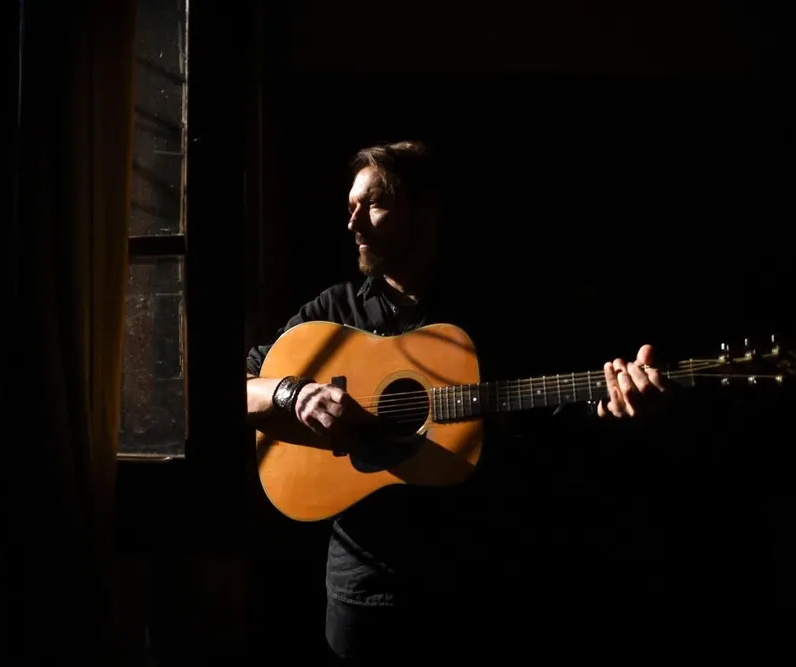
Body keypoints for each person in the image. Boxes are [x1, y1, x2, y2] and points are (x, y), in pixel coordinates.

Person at [245, 140, 667, 661]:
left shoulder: (495, 310)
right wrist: (294, 393)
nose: (353, 222)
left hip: (481, 576)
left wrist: (611, 402)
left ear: (424, 211)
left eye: (372, 204)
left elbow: (557, 409)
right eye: (350, 205)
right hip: (366, 589)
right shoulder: (333, 313)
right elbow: (240, 388)